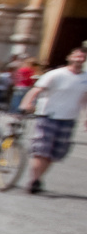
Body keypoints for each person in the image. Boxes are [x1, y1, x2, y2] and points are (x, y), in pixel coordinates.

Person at [23, 44, 85, 194]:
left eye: (82, 57)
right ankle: (35, 180)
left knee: (54, 153)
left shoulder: (85, 78)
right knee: (42, 150)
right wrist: (27, 103)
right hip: (48, 116)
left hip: (69, 118)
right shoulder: (56, 74)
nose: (79, 59)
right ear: (70, 57)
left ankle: (37, 178)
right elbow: (37, 89)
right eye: (76, 56)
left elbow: (85, 99)